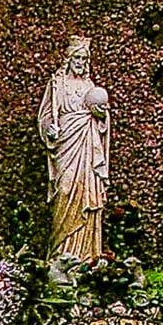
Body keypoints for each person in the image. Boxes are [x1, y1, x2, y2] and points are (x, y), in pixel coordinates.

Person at [39, 37, 110, 262]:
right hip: (67, 145)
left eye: (84, 58)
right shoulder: (57, 84)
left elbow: (102, 116)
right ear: (69, 59)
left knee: (89, 192)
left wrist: (102, 116)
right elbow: (45, 116)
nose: (81, 62)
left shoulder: (90, 86)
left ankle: (88, 254)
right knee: (66, 188)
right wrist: (49, 128)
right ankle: (62, 252)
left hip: (89, 144)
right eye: (77, 58)